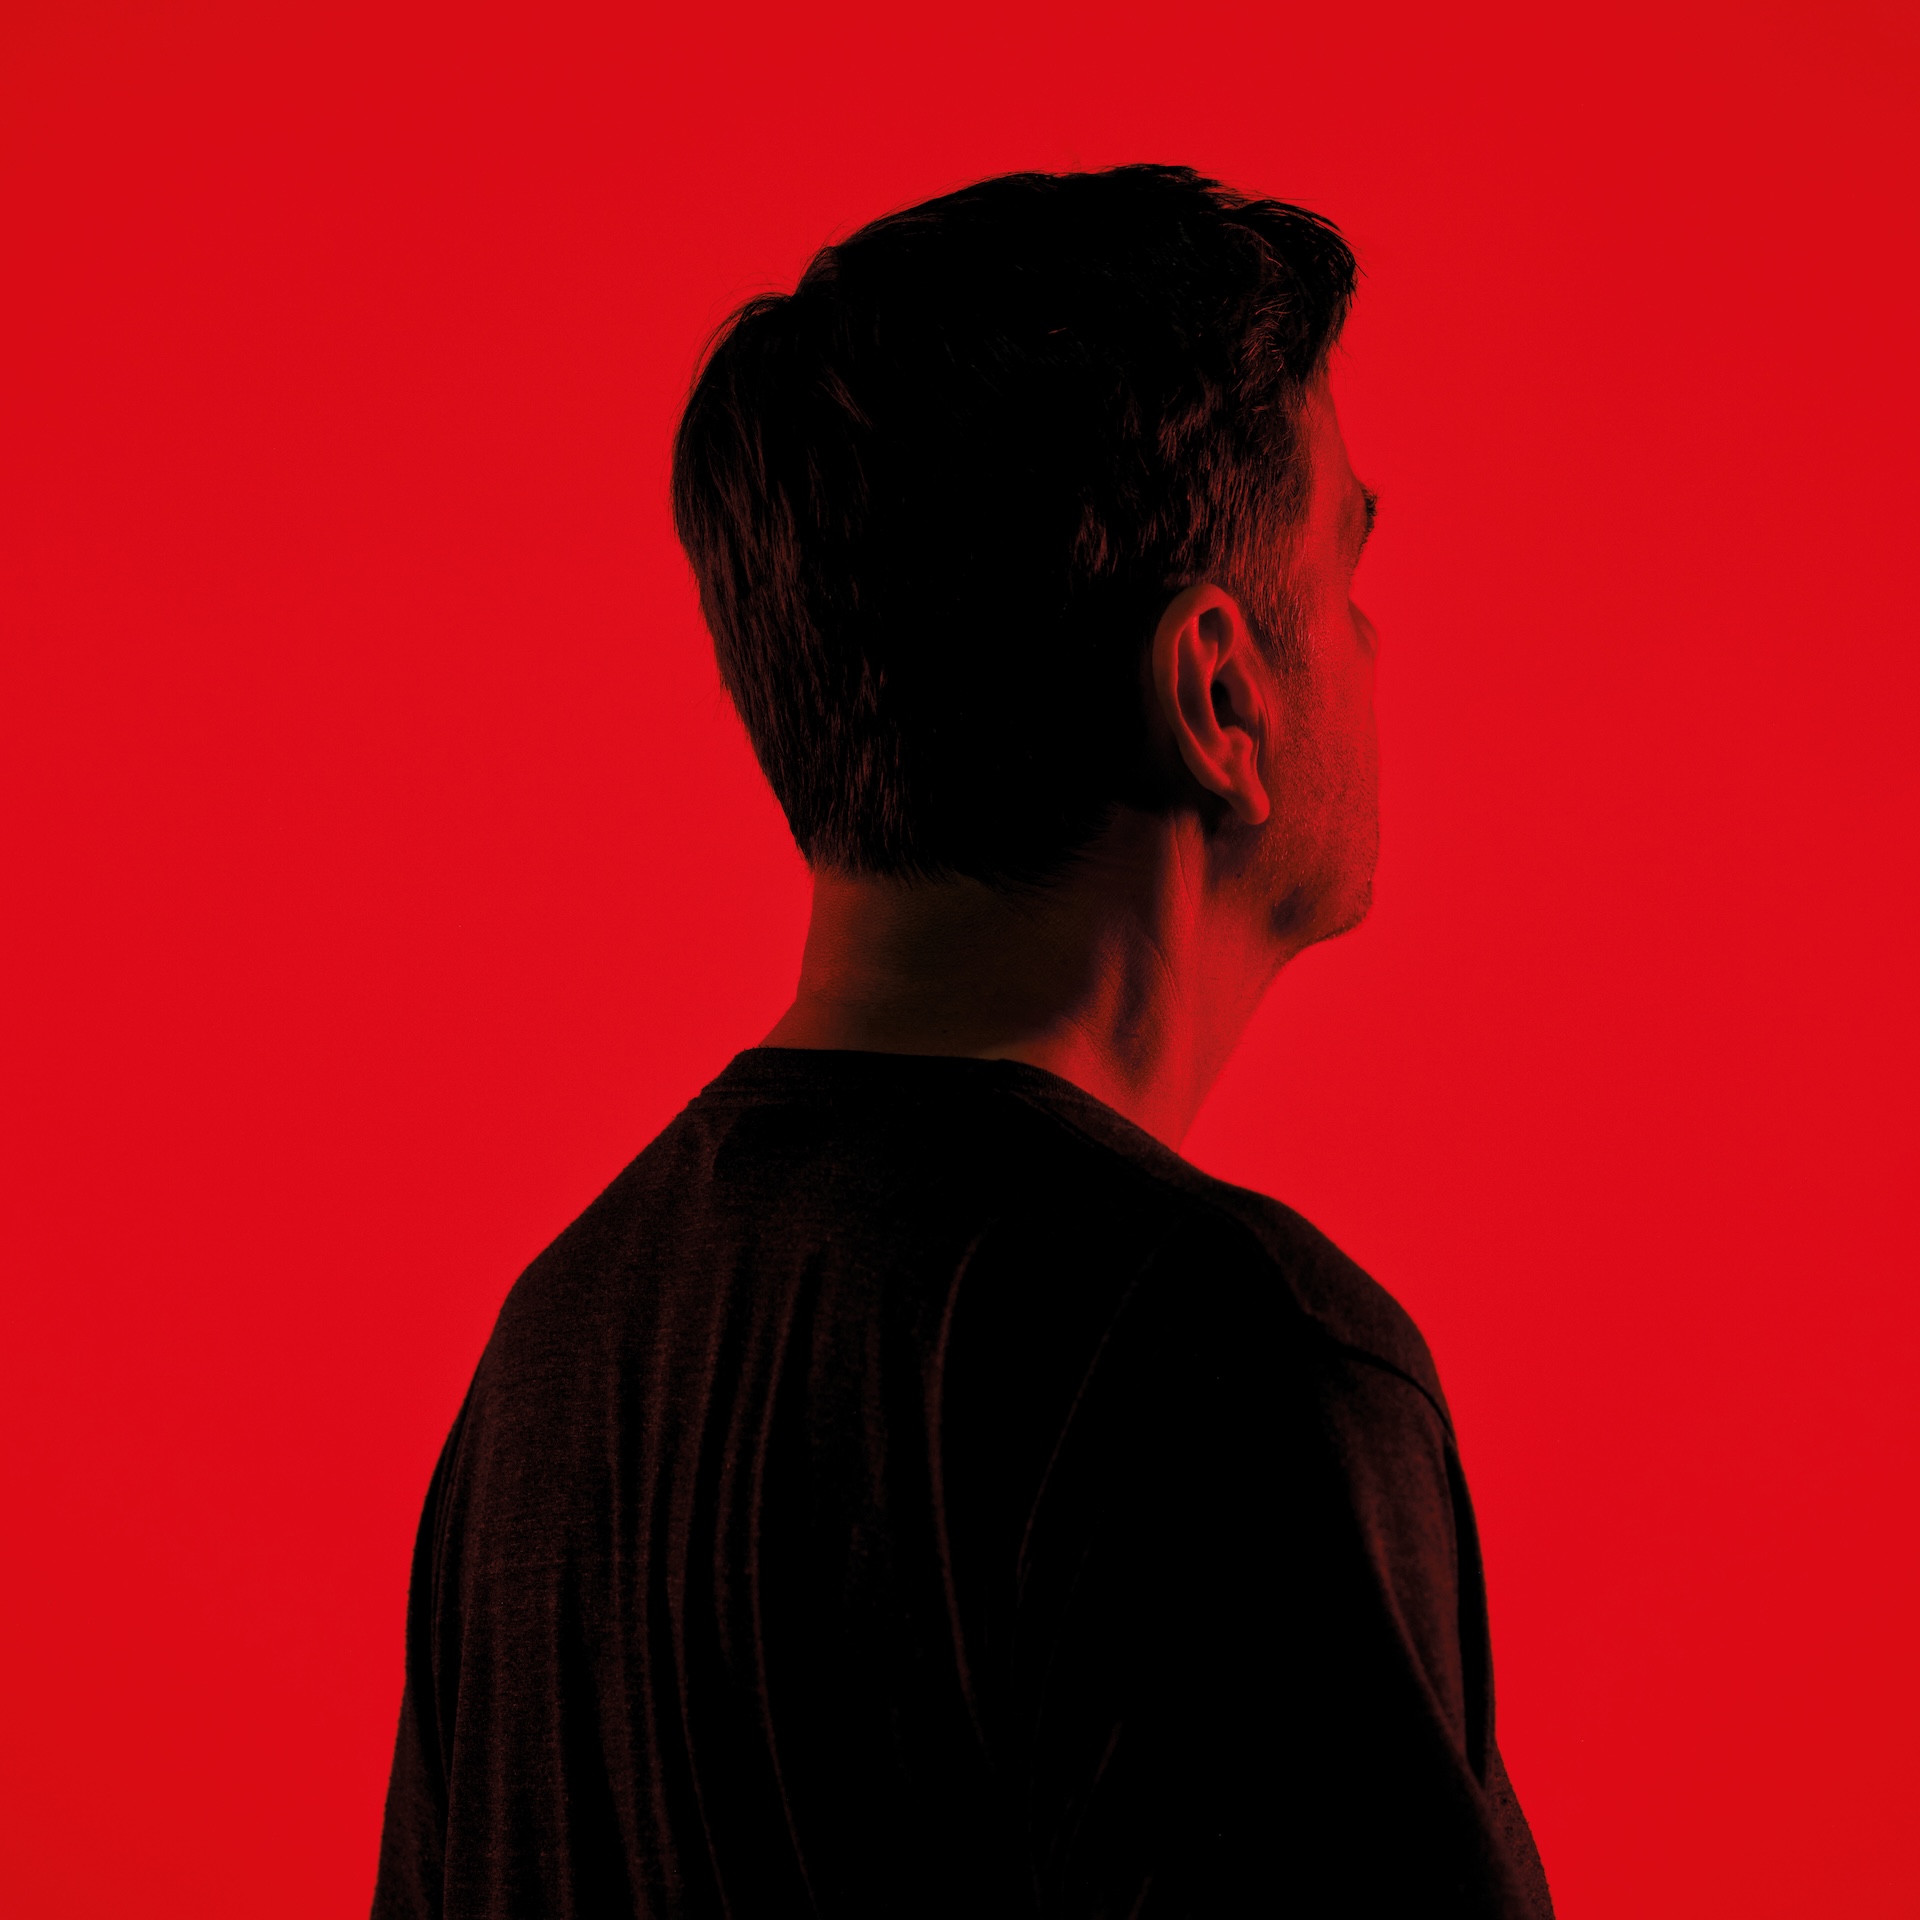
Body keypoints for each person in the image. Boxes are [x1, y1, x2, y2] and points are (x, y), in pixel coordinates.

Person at [372, 163, 1554, 1918]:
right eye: (1345, 562)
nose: (1375, 642)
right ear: (1220, 692)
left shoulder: (551, 1358)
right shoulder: (1218, 1358)